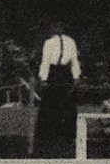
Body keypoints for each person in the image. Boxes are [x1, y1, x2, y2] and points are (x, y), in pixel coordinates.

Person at [32, 22, 81, 155]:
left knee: (68, 105)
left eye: (60, 27)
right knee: (50, 106)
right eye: (55, 27)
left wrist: (76, 77)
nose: (57, 29)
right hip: (53, 73)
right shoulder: (48, 42)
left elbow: (74, 60)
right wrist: (43, 78)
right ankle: (49, 139)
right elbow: (45, 61)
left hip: (65, 74)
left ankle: (68, 138)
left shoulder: (70, 42)